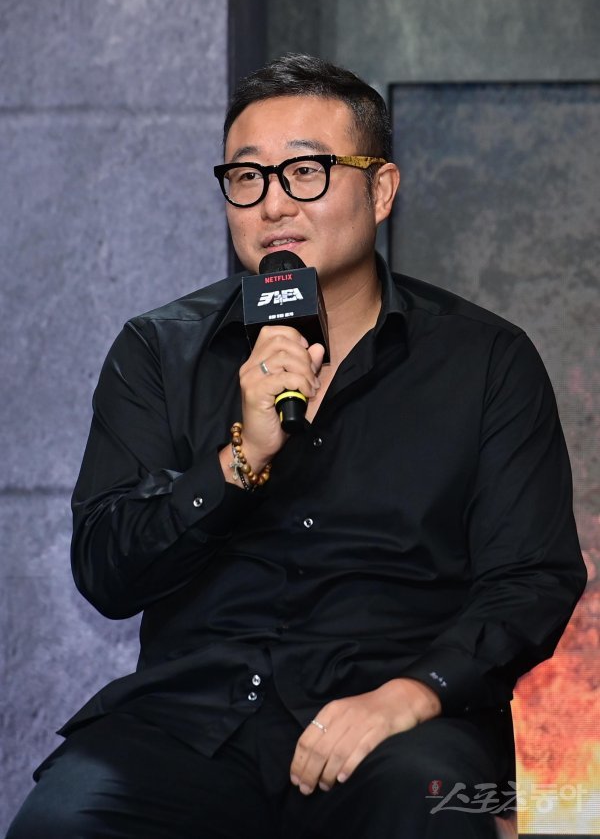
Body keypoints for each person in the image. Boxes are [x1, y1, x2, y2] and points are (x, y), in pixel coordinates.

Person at [7, 53, 586, 839]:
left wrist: (415, 691)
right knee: (59, 823)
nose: (273, 203)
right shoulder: (158, 350)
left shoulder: (485, 360)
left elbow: (533, 579)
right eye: (247, 178)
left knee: (435, 809)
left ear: (381, 189)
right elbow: (107, 570)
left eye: (306, 171)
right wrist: (239, 457)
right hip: (190, 724)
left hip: (397, 724)